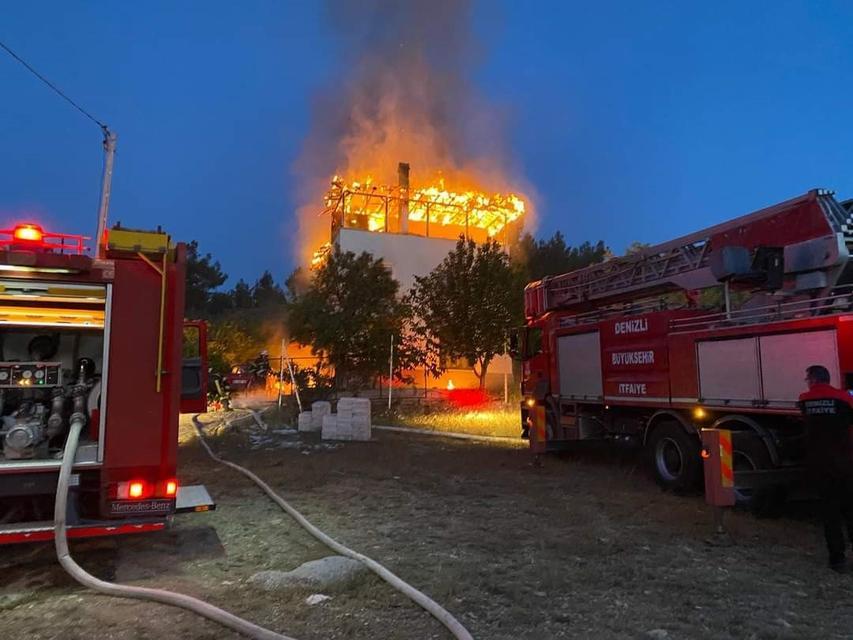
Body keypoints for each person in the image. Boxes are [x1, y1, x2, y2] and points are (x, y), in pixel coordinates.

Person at [798, 364, 853, 572]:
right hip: (845, 464)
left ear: (813, 379)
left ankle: (837, 559)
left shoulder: (805, 399)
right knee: (850, 510)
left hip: (821, 466)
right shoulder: (844, 399)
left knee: (830, 514)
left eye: (808, 379)